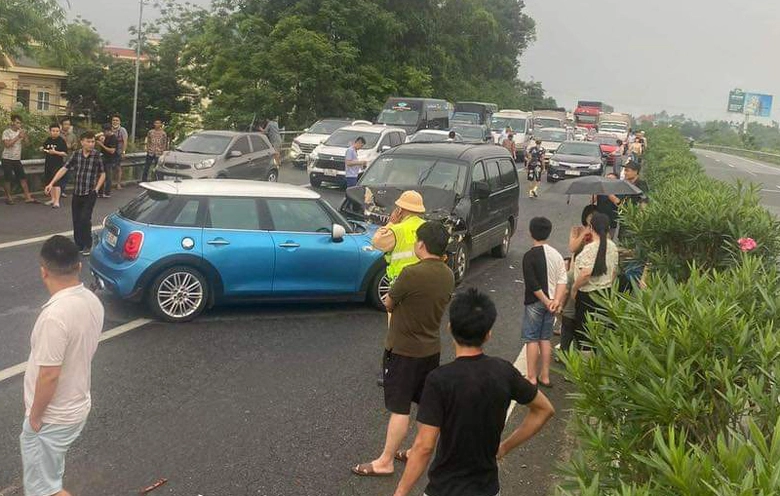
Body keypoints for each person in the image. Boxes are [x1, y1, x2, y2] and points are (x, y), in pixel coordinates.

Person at [391, 289, 555, 496]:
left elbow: (424, 446)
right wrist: (505, 447)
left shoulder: (439, 379)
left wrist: (400, 492)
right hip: (486, 488)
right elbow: (544, 409)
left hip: (445, 489)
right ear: (488, 334)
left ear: (450, 328)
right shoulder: (504, 371)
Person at [353, 221, 455, 477]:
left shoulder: (411, 273)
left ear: (421, 244)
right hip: (431, 348)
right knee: (425, 403)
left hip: (404, 350)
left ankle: (385, 461)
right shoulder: (447, 273)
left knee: (400, 408)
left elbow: (388, 302)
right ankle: (416, 450)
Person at [20, 235, 104, 496]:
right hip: (76, 404)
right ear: (79, 266)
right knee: (49, 479)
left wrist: (35, 417)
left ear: (43, 271)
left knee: (43, 490)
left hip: (52, 417)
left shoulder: (54, 317)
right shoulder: (92, 301)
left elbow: (49, 376)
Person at [522, 217, 567, 387]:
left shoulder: (529, 256)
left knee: (532, 338)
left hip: (535, 301)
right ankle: (545, 376)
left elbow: (532, 283)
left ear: (530, 232)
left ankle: (532, 377)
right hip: (553, 303)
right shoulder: (556, 255)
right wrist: (556, 300)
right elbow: (563, 279)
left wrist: (546, 300)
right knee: (545, 338)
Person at [45, 131, 106, 256]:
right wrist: (51, 183)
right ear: (82, 142)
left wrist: (97, 189)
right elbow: (64, 168)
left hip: (90, 193)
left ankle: (88, 244)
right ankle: (79, 244)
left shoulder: (97, 155)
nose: (91, 144)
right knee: (76, 220)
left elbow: (103, 173)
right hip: (77, 192)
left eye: (93, 142)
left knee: (85, 218)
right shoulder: (76, 154)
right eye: (88, 142)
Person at [571, 213, 619, 348]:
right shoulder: (613, 247)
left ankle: (587, 365)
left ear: (591, 228)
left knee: (586, 336)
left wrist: (574, 288)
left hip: (588, 296)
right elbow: (614, 272)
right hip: (605, 294)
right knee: (602, 334)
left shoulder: (589, 249)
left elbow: (586, 274)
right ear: (608, 228)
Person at [371, 190, 427, 285]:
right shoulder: (427, 226)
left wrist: (391, 223)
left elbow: (376, 242)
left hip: (401, 281)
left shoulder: (397, 229)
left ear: (400, 210)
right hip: (423, 279)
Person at [2, 113, 36, 204]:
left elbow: (27, 145)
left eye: (20, 123)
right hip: (7, 158)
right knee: (8, 178)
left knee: (23, 177)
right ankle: (9, 197)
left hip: (17, 159)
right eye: (17, 123)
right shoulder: (6, 132)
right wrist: (18, 137)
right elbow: (7, 145)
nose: (19, 125)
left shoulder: (21, 132)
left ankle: (27, 197)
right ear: (12, 122)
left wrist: (25, 137)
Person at [41, 123, 69, 209]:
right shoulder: (48, 140)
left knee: (56, 183)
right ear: (50, 131)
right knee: (50, 182)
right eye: (53, 131)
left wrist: (55, 152)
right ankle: (52, 199)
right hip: (48, 163)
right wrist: (42, 149)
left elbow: (65, 154)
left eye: (57, 131)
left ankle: (57, 201)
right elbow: (45, 148)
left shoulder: (61, 141)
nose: (55, 132)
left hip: (57, 164)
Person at [595, 173, 621, 238]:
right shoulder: (600, 190)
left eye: (611, 179)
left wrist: (608, 191)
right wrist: (595, 193)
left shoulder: (619, 191)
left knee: (608, 242)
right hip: (600, 220)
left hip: (611, 221)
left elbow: (617, 202)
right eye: (607, 179)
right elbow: (592, 201)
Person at [95, 124, 117, 198]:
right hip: (103, 158)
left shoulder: (113, 138)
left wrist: (102, 145)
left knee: (108, 176)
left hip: (109, 159)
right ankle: (100, 192)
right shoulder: (105, 137)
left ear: (108, 131)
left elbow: (112, 151)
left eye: (104, 131)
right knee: (101, 175)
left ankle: (107, 192)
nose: (103, 133)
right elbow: (94, 137)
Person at [59, 118, 79, 198]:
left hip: (68, 158)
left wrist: (73, 146)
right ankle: (56, 191)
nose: (67, 126)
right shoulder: (58, 134)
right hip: (59, 158)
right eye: (65, 124)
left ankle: (62, 191)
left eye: (68, 124)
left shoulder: (72, 135)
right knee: (58, 175)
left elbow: (75, 147)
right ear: (61, 125)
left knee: (66, 176)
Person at [110, 115, 128, 190]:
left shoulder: (122, 130)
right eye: (114, 120)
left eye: (117, 120)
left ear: (119, 122)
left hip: (119, 151)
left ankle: (118, 183)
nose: (115, 122)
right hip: (110, 151)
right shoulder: (110, 129)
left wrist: (123, 152)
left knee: (118, 168)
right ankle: (109, 183)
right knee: (109, 167)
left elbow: (125, 141)